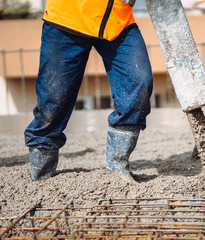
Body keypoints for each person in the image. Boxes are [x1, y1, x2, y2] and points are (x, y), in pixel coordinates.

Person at [24, 0, 153, 183]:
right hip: (68, 18)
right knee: (53, 100)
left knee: (138, 83)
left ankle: (117, 165)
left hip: (117, 20)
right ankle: (42, 173)